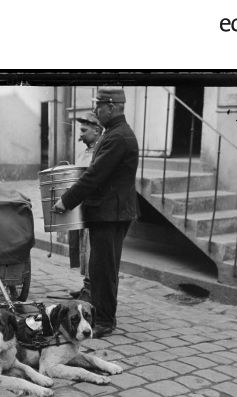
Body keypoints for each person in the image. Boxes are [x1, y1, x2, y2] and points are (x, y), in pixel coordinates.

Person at [53, 87, 139, 338]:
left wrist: (66, 201)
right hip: (107, 212)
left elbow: (95, 175)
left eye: (99, 106)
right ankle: (102, 315)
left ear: (111, 107)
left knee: (105, 270)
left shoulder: (118, 137)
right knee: (100, 268)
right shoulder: (113, 133)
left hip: (112, 214)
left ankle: (105, 320)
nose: (96, 110)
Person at [69, 111, 103, 302]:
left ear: (97, 130)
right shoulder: (84, 152)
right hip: (82, 206)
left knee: (91, 250)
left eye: (84, 130)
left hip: (94, 207)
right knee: (84, 248)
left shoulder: (101, 152)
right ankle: (86, 286)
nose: (80, 135)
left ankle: (92, 290)